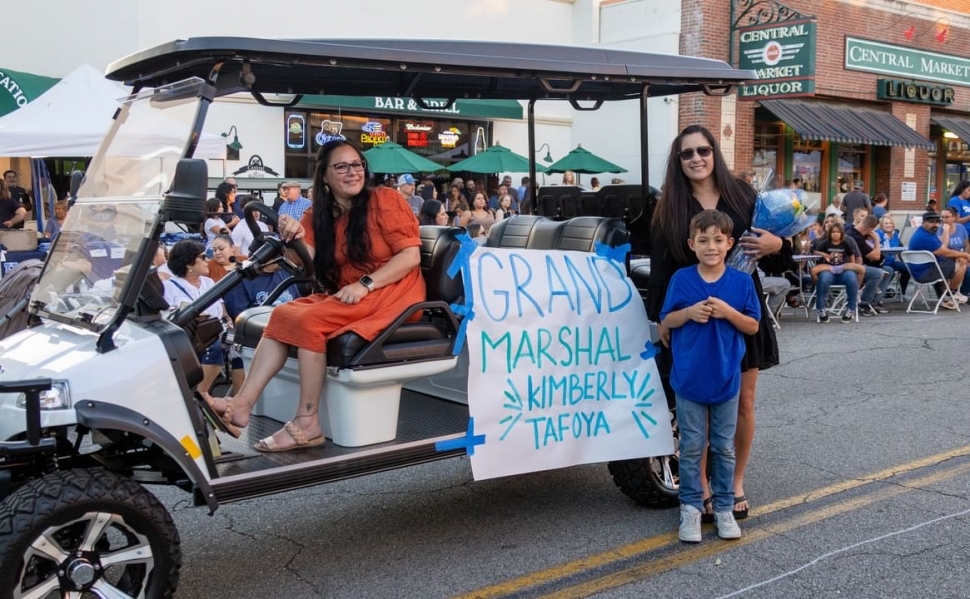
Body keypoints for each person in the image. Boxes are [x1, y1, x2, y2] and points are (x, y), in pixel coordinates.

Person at [212, 140, 425, 452]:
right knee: (284, 313)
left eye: (357, 165)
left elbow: (410, 257)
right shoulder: (318, 214)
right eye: (342, 166)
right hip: (349, 293)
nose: (353, 172)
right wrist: (291, 233)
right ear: (324, 175)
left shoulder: (384, 199)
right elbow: (302, 259)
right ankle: (242, 403)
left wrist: (365, 284)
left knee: (310, 320)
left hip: (392, 292)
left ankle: (307, 422)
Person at [648, 124, 781, 522]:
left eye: (703, 150)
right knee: (701, 405)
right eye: (686, 153)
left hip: (741, 312)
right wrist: (663, 319)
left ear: (714, 153)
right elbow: (661, 272)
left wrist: (778, 244)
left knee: (743, 402)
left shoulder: (743, 196)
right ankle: (703, 489)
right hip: (695, 320)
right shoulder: (668, 207)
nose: (696, 159)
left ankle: (734, 483)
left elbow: (771, 252)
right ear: (678, 160)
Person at [660, 210, 760, 543]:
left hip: (726, 378)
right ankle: (690, 508)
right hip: (688, 379)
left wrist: (728, 312)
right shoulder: (682, 279)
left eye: (718, 240)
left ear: (730, 244)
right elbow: (667, 320)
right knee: (690, 446)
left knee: (723, 447)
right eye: (703, 240)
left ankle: (724, 508)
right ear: (692, 244)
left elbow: (753, 325)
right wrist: (688, 313)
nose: (711, 246)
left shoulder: (741, 282)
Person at [162, 240, 229, 403]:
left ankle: (238, 402)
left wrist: (230, 322)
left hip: (216, 332)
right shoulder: (169, 287)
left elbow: (222, 309)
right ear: (188, 262)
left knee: (240, 349)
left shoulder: (209, 283)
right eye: (203, 257)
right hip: (189, 339)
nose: (208, 260)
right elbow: (166, 317)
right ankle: (200, 394)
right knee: (214, 348)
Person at [906, 211, 970, 309]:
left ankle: (947, 297)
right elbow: (944, 252)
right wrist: (965, 255)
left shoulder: (925, 232)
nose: (935, 224)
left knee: (954, 261)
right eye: (931, 222)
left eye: (937, 222)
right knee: (962, 263)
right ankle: (951, 294)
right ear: (923, 222)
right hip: (924, 273)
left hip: (924, 270)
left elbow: (943, 249)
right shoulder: (925, 237)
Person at [810, 222, 862, 322]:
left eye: (838, 232)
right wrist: (824, 254)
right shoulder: (825, 243)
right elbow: (815, 251)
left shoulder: (845, 243)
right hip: (829, 270)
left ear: (841, 234)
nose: (835, 234)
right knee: (823, 277)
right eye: (833, 232)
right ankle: (821, 308)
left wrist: (852, 265)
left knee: (851, 276)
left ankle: (851, 308)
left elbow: (851, 255)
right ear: (830, 233)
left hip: (843, 270)